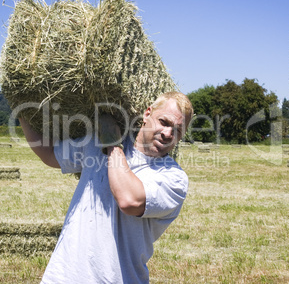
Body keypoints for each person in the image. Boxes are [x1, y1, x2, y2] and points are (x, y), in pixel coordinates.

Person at [19, 91, 193, 283]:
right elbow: (51, 154)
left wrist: (113, 144)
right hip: (63, 276)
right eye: (164, 122)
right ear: (147, 114)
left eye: (177, 130)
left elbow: (129, 200)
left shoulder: (174, 178)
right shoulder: (96, 142)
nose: (168, 134)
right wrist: (20, 109)